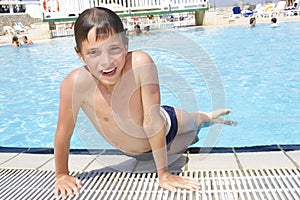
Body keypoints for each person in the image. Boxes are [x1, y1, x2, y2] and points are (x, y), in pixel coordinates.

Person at [54, 7, 237, 199]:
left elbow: (152, 120)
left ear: (126, 44)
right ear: (80, 54)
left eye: (114, 49)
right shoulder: (74, 85)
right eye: (94, 52)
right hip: (140, 150)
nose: (106, 61)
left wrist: (164, 174)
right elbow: (63, 133)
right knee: (191, 139)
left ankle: (207, 116)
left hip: (166, 124)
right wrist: (62, 174)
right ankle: (202, 122)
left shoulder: (140, 64)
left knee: (194, 123)